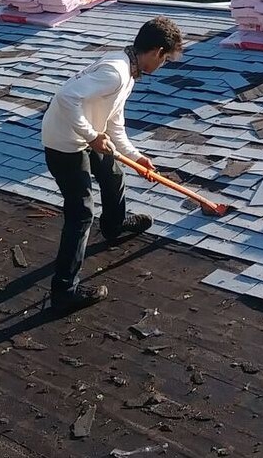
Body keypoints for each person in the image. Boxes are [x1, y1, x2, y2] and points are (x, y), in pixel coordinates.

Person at [42, 16, 184, 312]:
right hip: (64, 143)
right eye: (166, 59)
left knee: (113, 175)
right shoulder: (116, 72)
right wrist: (93, 137)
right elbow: (65, 97)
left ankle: (114, 225)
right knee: (81, 213)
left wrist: (135, 156)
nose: (163, 65)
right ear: (157, 52)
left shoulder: (127, 72)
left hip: (85, 136)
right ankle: (64, 290)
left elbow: (113, 122)